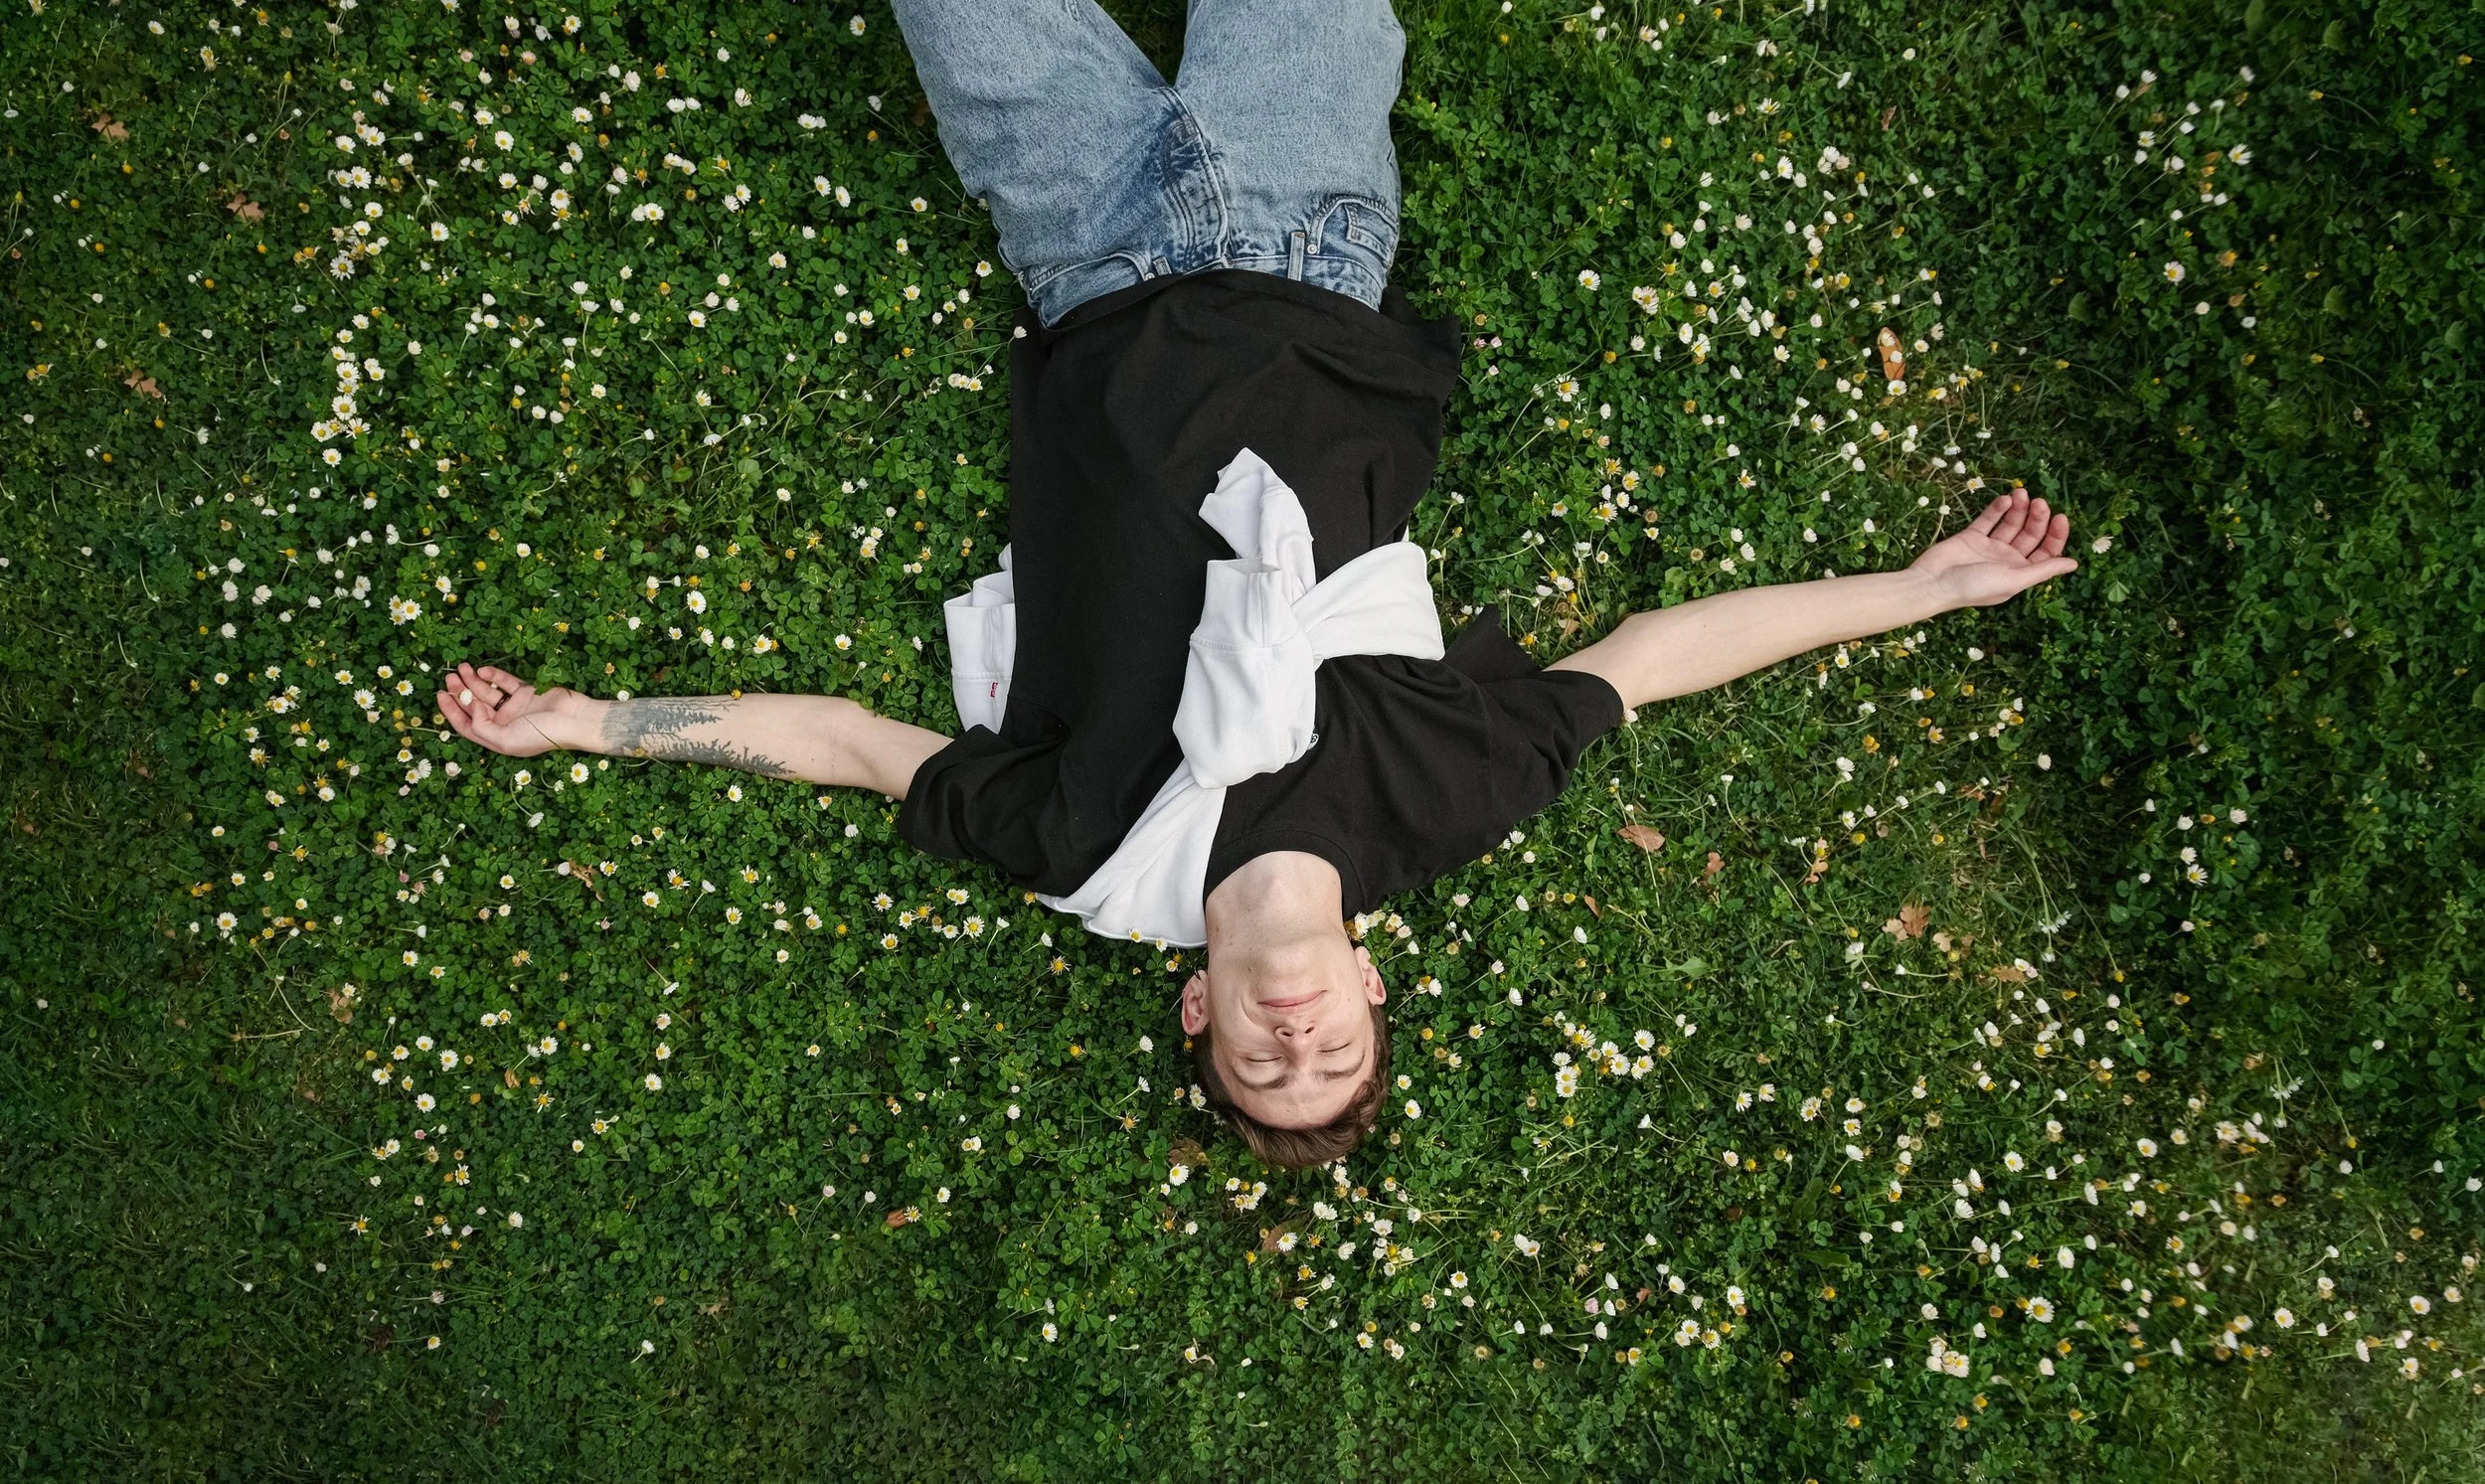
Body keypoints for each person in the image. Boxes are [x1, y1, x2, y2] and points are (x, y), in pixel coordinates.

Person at [436, 0, 2078, 1170]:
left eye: (1262, 1066)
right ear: (1372, 987)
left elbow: (847, 744)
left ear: (1197, 1022)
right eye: (1335, 1054)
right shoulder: (1439, 802)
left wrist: (592, 724)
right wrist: (1918, 591)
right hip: (1311, 238)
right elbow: (1659, 653)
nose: (1297, 1044)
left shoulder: (1080, 850)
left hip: (1082, 255)